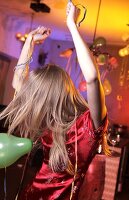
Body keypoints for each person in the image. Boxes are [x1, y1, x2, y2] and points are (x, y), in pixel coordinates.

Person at [0, 1, 110, 200]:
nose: (36, 103)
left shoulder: (88, 125)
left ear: (51, 96)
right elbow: (18, 82)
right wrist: (29, 43)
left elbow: (93, 79)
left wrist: (72, 25)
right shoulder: (49, 122)